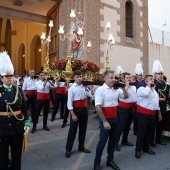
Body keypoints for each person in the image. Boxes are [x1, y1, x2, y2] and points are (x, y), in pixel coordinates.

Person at [0, 51, 30, 170]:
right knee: (2, 156)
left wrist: (27, 120)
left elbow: (24, 108)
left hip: (17, 128)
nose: (10, 78)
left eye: (11, 76)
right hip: (1, 129)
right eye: (7, 77)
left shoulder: (18, 90)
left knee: (17, 155)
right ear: (1, 78)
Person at [93, 70, 128, 170]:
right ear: (105, 79)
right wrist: (104, 121)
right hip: (106, 119)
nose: (114, 80)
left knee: (112, 141)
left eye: (114, 78)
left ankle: (110, 160)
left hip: (115, 118)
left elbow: (125, 96)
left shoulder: (116, 89)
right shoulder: (100, 90)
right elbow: (98, 107)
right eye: (111, 78)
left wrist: (123, 88)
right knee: (102, 142)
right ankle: (96, 162)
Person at [65, 70, 93, 158]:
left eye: (81, 76)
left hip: (84, 110)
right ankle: (68, 149)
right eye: (78, 77)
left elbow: (91, 95)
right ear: (74, 78)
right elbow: (69, 103)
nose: (80, 78)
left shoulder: (84, 87)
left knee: (83, 129)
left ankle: (81, 147)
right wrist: (73, 114)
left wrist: (90, 88)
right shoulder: (72, 88)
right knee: (73, 130)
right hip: (76, 110)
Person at [135, 75, 162, 159]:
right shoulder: (141, 89)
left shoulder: (154, 91)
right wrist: (148, 86)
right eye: (151, 79)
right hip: (143, 114)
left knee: (149, 133)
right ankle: (138, 150)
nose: (153, 81)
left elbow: (156, 103)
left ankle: (146, 148)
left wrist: (159, 113)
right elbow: (146, 94)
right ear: (146, 81)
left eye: (153, 79)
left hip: (152, 115)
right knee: (141, 133)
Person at [115, 72, 137, 151]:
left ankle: (124, 140)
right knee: (121, 126)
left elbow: (135, 97)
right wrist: (126, 86)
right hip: (123, 109)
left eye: (130, 77)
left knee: (128, 126)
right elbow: (124, 96)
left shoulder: (133, 87)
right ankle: (115, 143)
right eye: (127, 78)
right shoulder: (120, 87)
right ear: (124, 79)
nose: (129, 79)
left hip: (131, 109)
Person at [151, 60, 169, 146]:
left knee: (160, 124)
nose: (161, 75)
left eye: (161, 73)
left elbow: (167, 95)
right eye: (159, 73)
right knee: (153, 124)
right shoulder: (152, 83)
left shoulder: (165, 84)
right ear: (155, 74)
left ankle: (158, 139)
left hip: (162, 105)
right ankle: (151, 141)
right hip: (154, 105)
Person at [133, 63, 146, 135]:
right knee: (136, 116)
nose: (140, 76)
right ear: (136, 75)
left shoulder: (144, 82)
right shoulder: (134, 82)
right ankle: (135, 130)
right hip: (137, 100)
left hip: (143, 100)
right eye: (138, 75)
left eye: (141, 75)